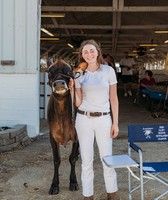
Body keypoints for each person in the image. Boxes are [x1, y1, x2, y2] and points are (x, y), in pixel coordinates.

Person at [74, 39, 120, 200]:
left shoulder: (108, 71)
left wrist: (115, 123)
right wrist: (73, 87)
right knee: (86, 159)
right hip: (84, 119)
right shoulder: (79, 73)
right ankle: (88, 195)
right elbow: (78, 103)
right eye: (85, 52)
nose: (89, 54)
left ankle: (112, 193)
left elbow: (113, 98)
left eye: (92, 50)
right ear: (82, 55)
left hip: (103, 119)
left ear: (98, 52)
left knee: (107, 157)